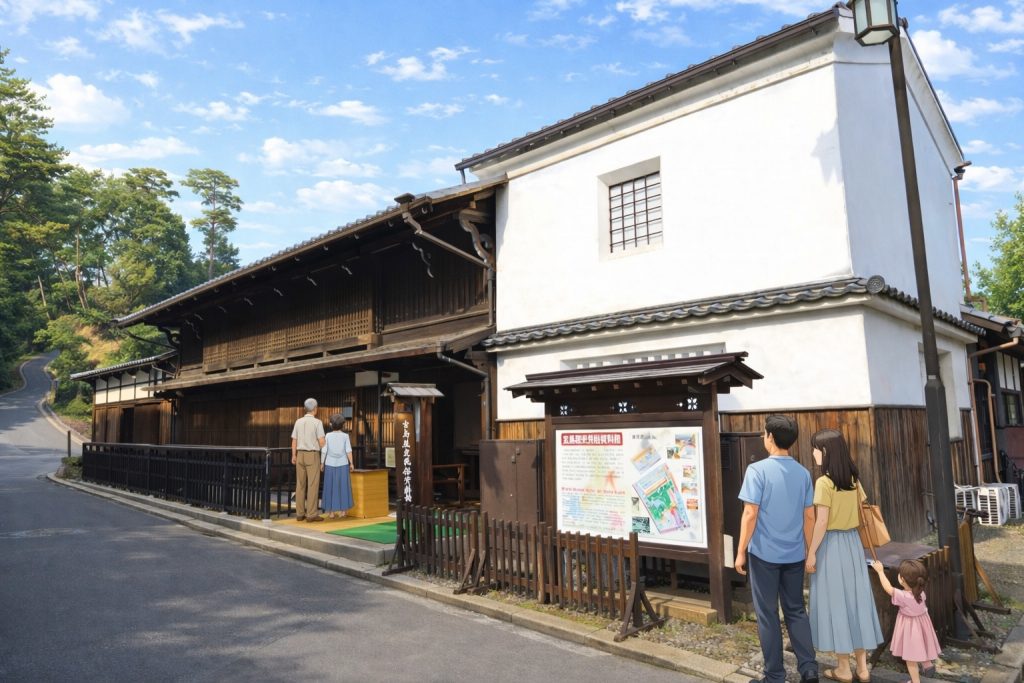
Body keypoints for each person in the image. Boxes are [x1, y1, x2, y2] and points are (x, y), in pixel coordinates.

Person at [736, 415, 819, 683]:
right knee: (796, 609)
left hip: (763, 555)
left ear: (770, 437)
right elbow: (809, 517)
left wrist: (740, 551)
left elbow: (750, 513)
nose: (763, 437)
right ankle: (809, 668)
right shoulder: (803, 473)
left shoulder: (757, 471)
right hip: (795, 554)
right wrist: (810, 550)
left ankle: (774, 675)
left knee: (768, 614)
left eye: (764, 433)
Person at [805, 429, 883, 683]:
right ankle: (862, 667)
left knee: (835, 603)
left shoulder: (824, 483)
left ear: (825, 452)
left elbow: (822, 522)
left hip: (831, 545)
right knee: (856, 602)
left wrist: (811, 553)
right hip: (852, 545)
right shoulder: (853, 479)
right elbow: (861, 514)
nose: (813, 453)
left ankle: (843, 668)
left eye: (816, 448)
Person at [871, 560, 941, 683]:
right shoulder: (921, 593)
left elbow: (888, 588)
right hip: (922, 625)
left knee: (910, 657)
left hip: (910, 628)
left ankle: (915, 681)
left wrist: (880, 572)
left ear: (902, 580)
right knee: (921, 645)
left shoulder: (903, 596)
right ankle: (927, 664)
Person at [291, 398, 326, 522]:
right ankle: (311, 514)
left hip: (300, 454)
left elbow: (294, 440)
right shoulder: (317, 423)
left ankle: (300, 513)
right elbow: (322, 442)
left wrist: (293, 455)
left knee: (300, 484)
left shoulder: (298, 421)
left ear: (305, 409)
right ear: (315, 409)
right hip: (312, 455)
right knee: (312, 484)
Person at [321, 413, 354, 519]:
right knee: (343, 486)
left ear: (331, 424)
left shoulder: (328, 435)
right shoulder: (345, 436)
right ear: (342, 425)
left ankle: (330, 512)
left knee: (330, 486)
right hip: (343, 463)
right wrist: (351, 463)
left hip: (330, 463)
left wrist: (322, 463)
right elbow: (348, 450)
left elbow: (324, 450)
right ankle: (343, 511)